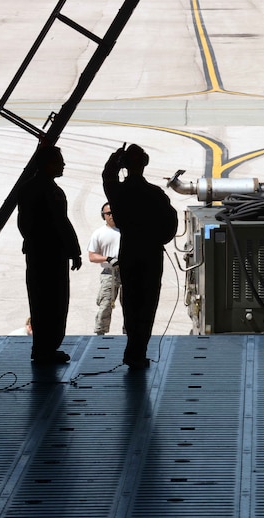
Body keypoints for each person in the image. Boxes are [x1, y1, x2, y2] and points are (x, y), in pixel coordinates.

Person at [102, 144, 177, 369]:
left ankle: (132, 349)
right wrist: (157, 240)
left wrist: (116, 159)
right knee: (147, 302)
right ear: (145, 163)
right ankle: (139, 350)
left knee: (131, 302)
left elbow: (107, 175)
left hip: (130, 249)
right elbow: (170, 224)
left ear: (125, 165)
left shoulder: (118, 193)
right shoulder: (155, 194)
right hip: (150, 252)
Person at [17, 146, 81, 364]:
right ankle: (47, 348)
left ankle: (42, 348)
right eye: (58, 162)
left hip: (37, 253)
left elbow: (23, 224)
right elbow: (61, 223)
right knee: (54, 302)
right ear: (46, 164)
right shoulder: (50, 191)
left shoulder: (27, 188)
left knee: (39, 301)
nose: (62, 165)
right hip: (51, 255)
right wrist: (74, 250)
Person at [87, 202, 122, 335]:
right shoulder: (99, 233)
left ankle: (130, 332)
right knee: (106, 303)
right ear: (103, 216)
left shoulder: (127, 230)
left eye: (113, 212)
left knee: (131, 305)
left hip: (128, 272)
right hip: (109, 273)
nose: (111, 215)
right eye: (108, 213)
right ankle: (100, 332)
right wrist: (107, 259)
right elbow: (92, 256)